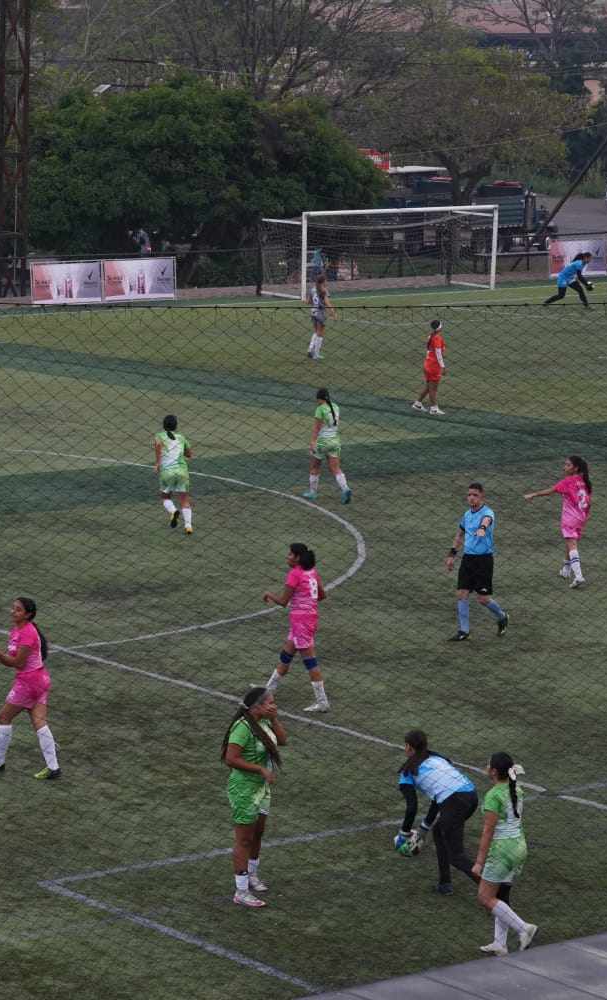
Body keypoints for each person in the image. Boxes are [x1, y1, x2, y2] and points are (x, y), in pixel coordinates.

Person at [0, 597, 61, 779]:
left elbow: (18, 663)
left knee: (3, 716)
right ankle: (54, 768)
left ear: (28, 614)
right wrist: (1, 656)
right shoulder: (18, 630)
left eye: (18, 609)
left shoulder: (27, 633)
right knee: (39, 722)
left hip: (29, 682)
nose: (12, 611)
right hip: (39, 679)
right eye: (13, 608)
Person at [223, 686, 286, 908]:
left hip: (261, 788)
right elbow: (231, 759)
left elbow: (282, 740)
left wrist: (274, 719)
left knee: (258, 832)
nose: (274, 706)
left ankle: (252, 875)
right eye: (270, 703)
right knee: (244, 839)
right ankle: (241, 891)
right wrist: (259, 769)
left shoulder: (265, 721)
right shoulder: (242, 727)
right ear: (257, 707)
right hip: (244, 789)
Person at [397, 729, 480, 895]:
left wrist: (403, 835)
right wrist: (424, 828)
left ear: (408, 746)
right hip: (471, 797)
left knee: (456, 855)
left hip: (454, 802)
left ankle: (491, 887)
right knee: (439, 832)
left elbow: (412, 807)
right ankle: (445, 883)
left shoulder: (407, 772)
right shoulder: (438, 759)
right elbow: (438, 797)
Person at [471, 752, 538, 955]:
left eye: (488, 764)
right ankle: (500, 943)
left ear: (494, 771)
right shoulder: (516, 788)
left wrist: (479, 862)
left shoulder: (493, 795)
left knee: (484, 897)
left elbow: (488, 832)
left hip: (502, 851)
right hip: (518, 846)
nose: (486, 765)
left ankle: (524, 928)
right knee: (500, 895)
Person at [262, 542, 329, 712]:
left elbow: (283, 602)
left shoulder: (295, 574)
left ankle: (322, 702)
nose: (287, 557)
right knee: (286, 655)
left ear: (298, 558)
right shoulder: (312, 572)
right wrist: (307, 601)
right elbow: (322, 595)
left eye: (290, 554)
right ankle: (268, 691)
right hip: (309, 619)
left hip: (301, 622)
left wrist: (269, 594)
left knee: (310, 661)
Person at [446, 483, 510, 641]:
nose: (471, 498)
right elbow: (460, 534)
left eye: (474, 495)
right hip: (468, 559)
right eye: (469, 494)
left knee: (483, 599)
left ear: (481, 495)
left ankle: (502, 617)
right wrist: (452, 555)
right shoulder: (467, 514)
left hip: (483, 561)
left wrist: (482, 528)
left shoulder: (487, 512)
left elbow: (487, 520)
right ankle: (464, 632)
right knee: (462, 593)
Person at [522, 456, 592, 589]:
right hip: (581, 516)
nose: (564, 467)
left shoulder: (568, 481)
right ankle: (566, 570)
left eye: (568, 465)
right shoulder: (584, 481)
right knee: (570, 542)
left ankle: (578, 576)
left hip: (570, 517)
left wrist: (534, 494)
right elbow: (589, 501)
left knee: (572, 544)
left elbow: (550, 491)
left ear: (576, 468)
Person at [303, 388, 351, 504]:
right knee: (335, 468)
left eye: (317, 400)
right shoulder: (335, 407)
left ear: (319, 399)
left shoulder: (320, 409)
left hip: (322, 442)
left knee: (315, 467)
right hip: (335, 441)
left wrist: (313, 442)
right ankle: (345, 488)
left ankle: (313, 493)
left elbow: (317, 428)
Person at [155, 414, 194, 535]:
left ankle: (173, 511)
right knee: (185, 501)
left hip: (167, 471)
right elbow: (189, 454)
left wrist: (157, 463)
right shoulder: (181, 437)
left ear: (164, 425)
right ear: (176, 426)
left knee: (165, 497)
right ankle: (188, 526)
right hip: (182, 471)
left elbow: (158, 444)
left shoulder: (159, 435)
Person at [412, 320, 447, 415]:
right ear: (440, 327)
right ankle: (434, 408)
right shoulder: (437, 337)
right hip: (433, 365)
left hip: (427, 364)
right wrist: (443, 367)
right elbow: (438, 353)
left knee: (428, 386)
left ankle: (418, 403)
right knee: (433, 388)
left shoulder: (430, 336)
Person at [306, 274, 338, 359]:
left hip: (313, 312)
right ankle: (315, 354)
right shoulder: (324, 290)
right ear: (323, 281)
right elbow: (327, 303)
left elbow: (308, 302)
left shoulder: (312, 289)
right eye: (326, 281)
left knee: (317, 332)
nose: (327, 282)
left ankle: (310, 349)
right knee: (320, 334)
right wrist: (334, 314)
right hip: (321, 313)